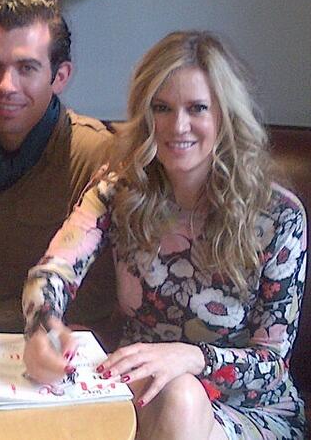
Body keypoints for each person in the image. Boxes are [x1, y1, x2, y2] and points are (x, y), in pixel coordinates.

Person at [22, 31, 307, 439]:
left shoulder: (279, 216)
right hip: (140, 390)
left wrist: (191, 358)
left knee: (182, 396)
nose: (178, 126)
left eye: (197, 108)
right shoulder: (118, 192)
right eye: (162, 108)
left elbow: (272, 363)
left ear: (225, 116)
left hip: (248, 408)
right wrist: (43, 326)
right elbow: (53, 270)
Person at [0, 0, 128, 340]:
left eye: (26, 68)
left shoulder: (95, 154)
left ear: (60, 76)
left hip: (34, 348)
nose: (6, 86)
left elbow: (96, 299)